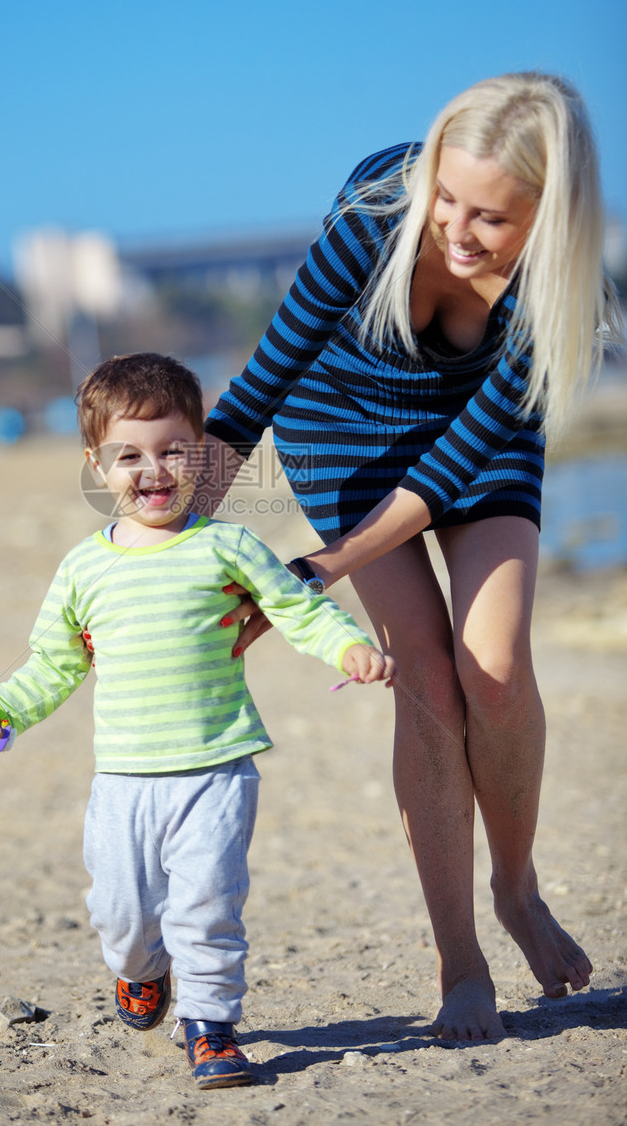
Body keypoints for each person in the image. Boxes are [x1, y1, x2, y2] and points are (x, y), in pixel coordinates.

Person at [201, 72, 623, 1042]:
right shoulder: (375, 214)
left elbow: (446, 475)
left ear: (547, 218)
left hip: (474, 446)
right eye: (445, 197)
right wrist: (151, 543)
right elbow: (257, 387)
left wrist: (318, 566)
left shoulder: (551, 295)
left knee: (496, 670)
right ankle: (458, 959)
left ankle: (515, 890)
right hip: (337, 421)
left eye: (490, 218)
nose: (455, 230)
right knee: (426, 677)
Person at [0, 352, 394, 1089]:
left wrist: (347, 647)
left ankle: (210, 1026)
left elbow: (292, 606)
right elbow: (52, 667)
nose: (153, 471)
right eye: (129, 456)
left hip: (216, 769)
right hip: (123, 782)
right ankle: (140, 972)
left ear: (203, 452)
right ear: (96, 464)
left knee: (209, 906)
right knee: (121, 915)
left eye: (172, 450)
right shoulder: (84, 568)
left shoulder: (227, 544)